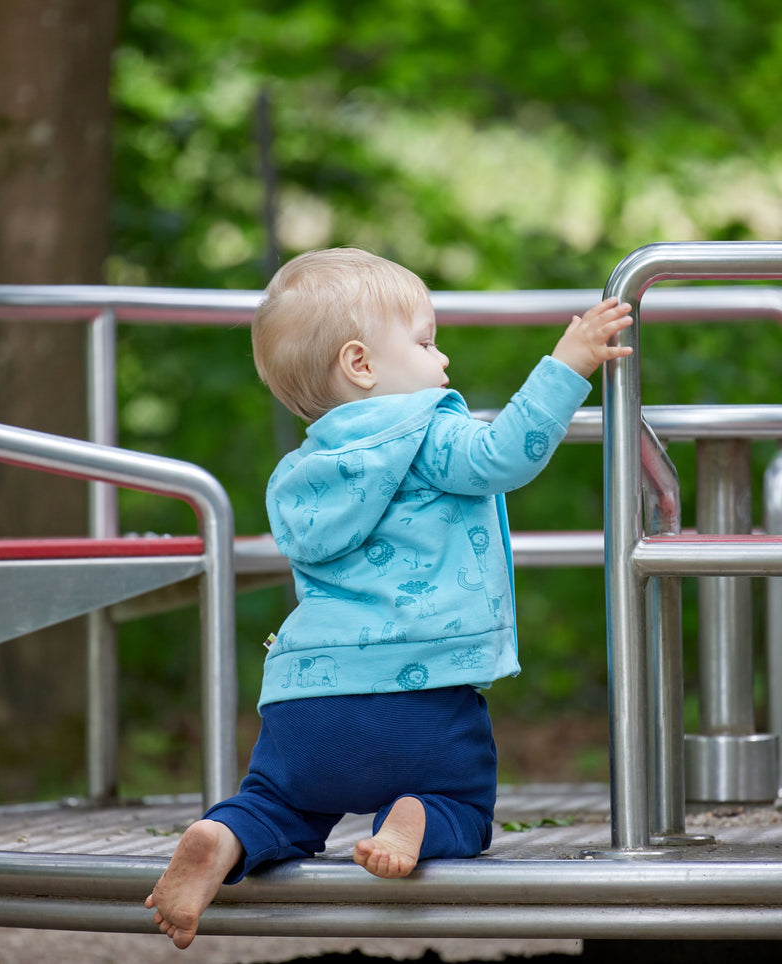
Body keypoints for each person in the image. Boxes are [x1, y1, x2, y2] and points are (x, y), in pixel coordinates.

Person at [146, 247, 633, 948]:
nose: (442, 362)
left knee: (278, 805)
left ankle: (220, 836)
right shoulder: (428, 433)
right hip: (417, 698)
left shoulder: (300, 471)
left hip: (305, 700)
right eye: (427, 342)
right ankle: (414, 817)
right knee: (461, 803)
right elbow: (504, 452)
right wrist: (566, 364)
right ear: (361, 365)